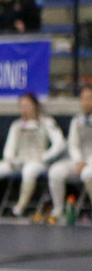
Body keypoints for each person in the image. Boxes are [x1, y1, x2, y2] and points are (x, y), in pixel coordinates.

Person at [0, 92, 65, 219]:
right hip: (18, 161)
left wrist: (45, 157)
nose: (24, 109)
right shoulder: (16, 125)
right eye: (22, 106)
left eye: (27, 105)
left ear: (35, 106)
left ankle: (20, 207)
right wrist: (10, 159)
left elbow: (60, 144)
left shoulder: (46, 122)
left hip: (38, 162)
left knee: (29, 171)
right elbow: (9, 149)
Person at [47, 86, 92, 224]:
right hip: (79, 161)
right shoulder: (76, 121)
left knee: (87, 173)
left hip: (90, 162)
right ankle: (58, 211)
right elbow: (73, 144)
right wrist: (78, 160)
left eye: (90, 99)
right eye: (84, 99)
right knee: (55, 171)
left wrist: (87, 161)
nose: (87, 102)